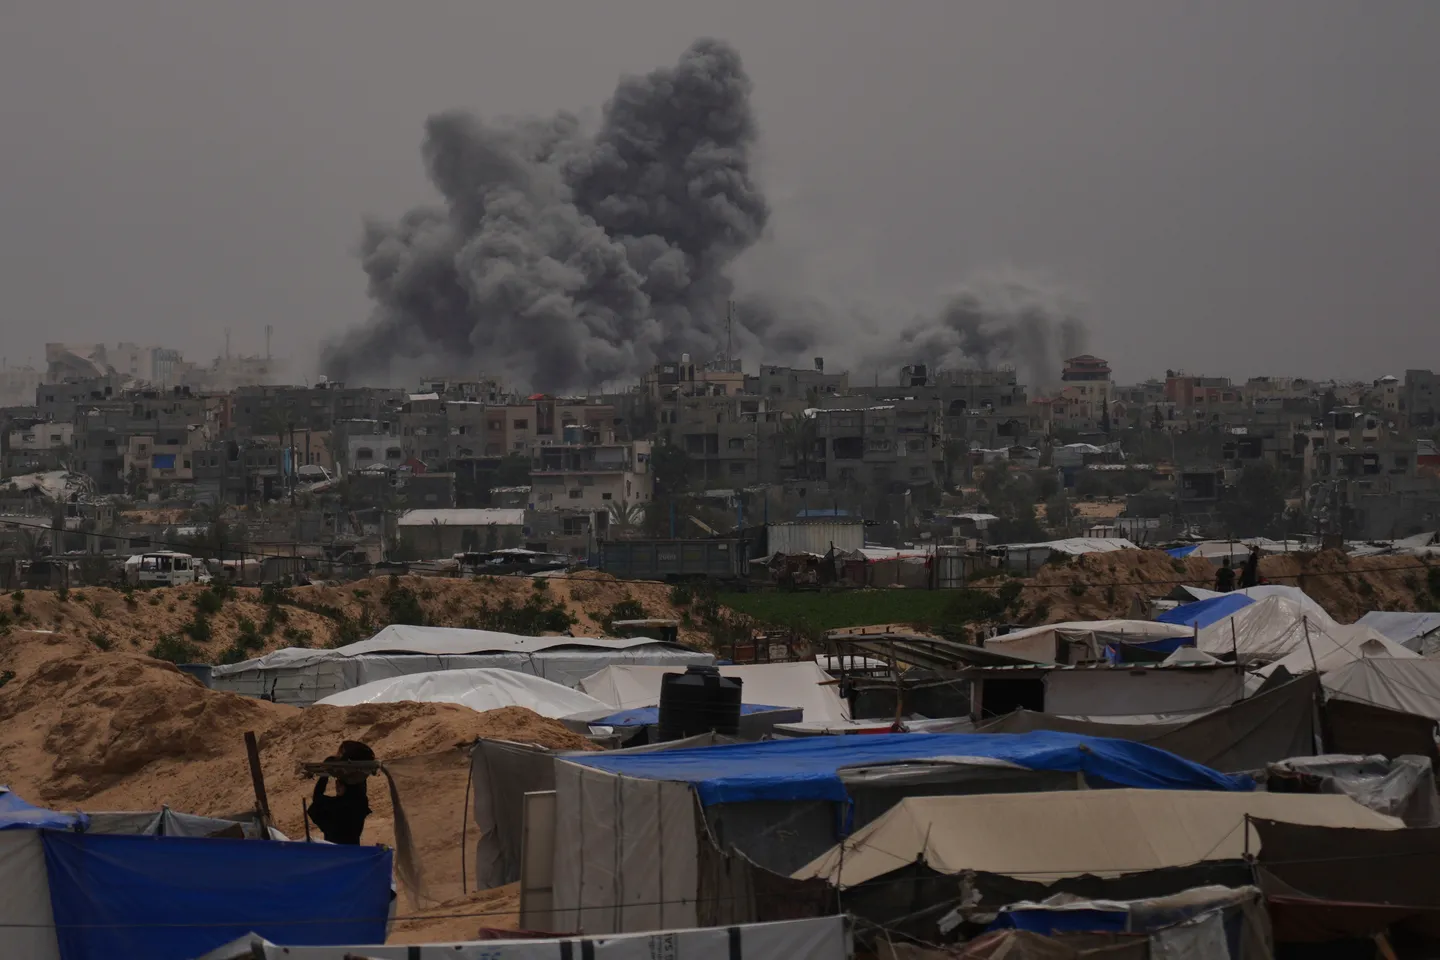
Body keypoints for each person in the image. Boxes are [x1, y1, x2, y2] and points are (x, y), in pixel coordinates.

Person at [306, 741, 374, 845]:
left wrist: (325, 773)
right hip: (354, 851)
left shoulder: (334, 808)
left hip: (335, 853)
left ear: (341, 788)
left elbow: (317, 797)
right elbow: (359, 783)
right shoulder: (359, 804)